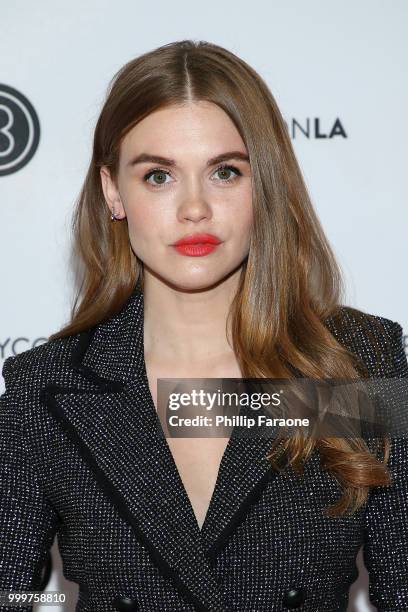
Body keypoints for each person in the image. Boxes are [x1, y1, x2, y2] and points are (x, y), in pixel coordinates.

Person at [1, 39, 407, 612]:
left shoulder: (355, 365)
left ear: (263, 185)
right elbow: (8, 589)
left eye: (224, 172)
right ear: (114, 191)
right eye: (159, 177)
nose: (195, 208)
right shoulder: (47, 390)